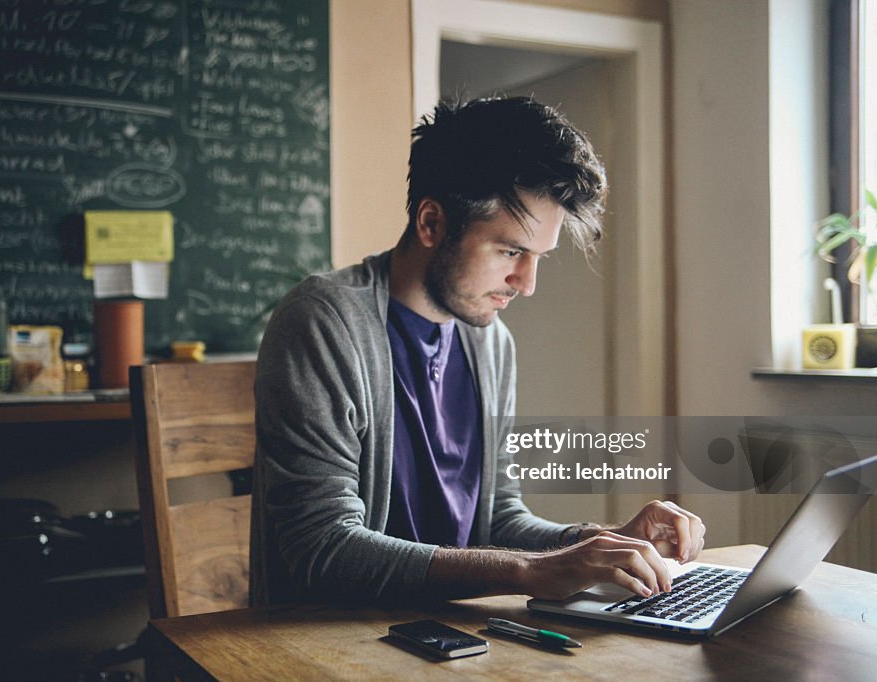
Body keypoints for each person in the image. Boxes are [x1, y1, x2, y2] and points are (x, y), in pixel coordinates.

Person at [249, 96, 705, 606]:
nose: (526, 283)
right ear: (431, 223)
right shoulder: (323, 322)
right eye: (511, 251)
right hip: (332, 643)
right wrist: (528, 571)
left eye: (538, 258)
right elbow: (320, 548)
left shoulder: (490, 342)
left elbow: (495, 518)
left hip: (451, 636)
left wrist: (600, 545)